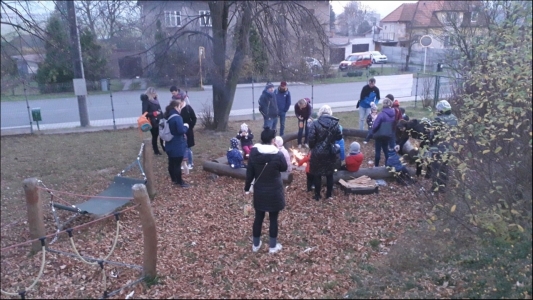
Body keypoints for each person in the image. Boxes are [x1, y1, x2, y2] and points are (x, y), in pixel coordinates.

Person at [244, 127, 287, 254]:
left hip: (260, 191)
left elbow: (250, 172)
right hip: (274, 191)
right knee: (273, 218)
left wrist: (247, 188)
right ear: (273, 140)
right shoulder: (278, 154)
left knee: (259, 217)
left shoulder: (254, 153)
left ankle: (256, 245)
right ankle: (272, 246)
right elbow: (284, 168)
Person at [308, 105, 342, 201]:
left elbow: (311, 139)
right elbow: (339, 137)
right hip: (330, 152)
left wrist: (313, 147)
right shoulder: (335, 123)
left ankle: (317, 195)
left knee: (317, 174)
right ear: (330, 112)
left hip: (317, 153)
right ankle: (329, 195)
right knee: (329, 174)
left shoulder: (315, 123)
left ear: (320, 112)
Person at [163, 100, 190, 188]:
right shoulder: (177, 117)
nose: (180, 109)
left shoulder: (166, 116)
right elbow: (181, 131)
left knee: (171, 162)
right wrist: (186, 126)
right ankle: (180, 182)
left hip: (168, 143)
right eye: (179, 107)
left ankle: (173, 179)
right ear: (176, 107)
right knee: (177, 164)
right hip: (177, 144)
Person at [372, 97, 396, 167]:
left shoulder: (381, 114)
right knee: (386, 150)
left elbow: (375, 126)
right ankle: (386, 164)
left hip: (379, 135)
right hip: (387, 134)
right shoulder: (393, 114)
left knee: (378, 151)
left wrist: (373, 131)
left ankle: (376, 166)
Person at [175, 95, 197, 170]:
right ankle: (184, 163)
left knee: (188, 148)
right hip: (180, 131)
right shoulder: (177, 109)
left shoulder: (188, 108)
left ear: (182, 101)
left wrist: (190, 127)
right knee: (182, 148)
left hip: (188, 131)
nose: (177, 104)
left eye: (178, 102)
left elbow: (194, 118)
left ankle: (190, 163)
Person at [142, 87, 164, 155]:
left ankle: (163, 147)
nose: (155, 94)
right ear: (150, 94)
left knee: (162, 134)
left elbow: (159, 110)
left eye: (155, 93)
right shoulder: (146, 101)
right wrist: (154, 113)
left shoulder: (155, 100)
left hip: (159, 120)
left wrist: (163, 117)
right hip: (152, 121)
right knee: (155, 136)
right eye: (153, 93)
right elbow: (144, 113)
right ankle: (156, 150)